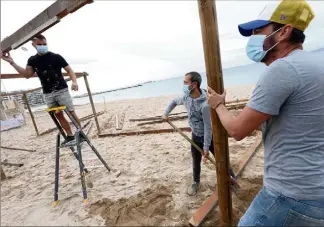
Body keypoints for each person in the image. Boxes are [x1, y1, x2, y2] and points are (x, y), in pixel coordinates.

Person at [207, 0, 324, 226]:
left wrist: (218, 104)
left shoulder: (283, 69)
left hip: (289, 193)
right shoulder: (316, 64)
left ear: (284, 31)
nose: (254, 38)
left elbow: (237, 130)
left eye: (259, 31)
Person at [162, 71, 237, 196]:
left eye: (185, 82)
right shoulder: (185, 97)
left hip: (209, 138)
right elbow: (174, 101)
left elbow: (209, 127)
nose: (183, 85)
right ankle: (196, 182)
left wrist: (206, 148)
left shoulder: (205, 104)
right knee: (195, 161)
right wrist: (166, 113)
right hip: (195, 136)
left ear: (194, 84)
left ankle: (233, 181)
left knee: (221, 160)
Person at [1, 34, 83, 146]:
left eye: (44, 44)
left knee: (71, 112)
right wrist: (12, 62)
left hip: (61, 90)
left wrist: (74, 82)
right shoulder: (33, 60)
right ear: (33, 45)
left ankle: (81, 133)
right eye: (40, 45)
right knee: (58, 114)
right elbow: (27, 74)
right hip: (48, 93)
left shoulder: (56, 57)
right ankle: (70, 135)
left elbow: (69, 70)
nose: (42, 46)